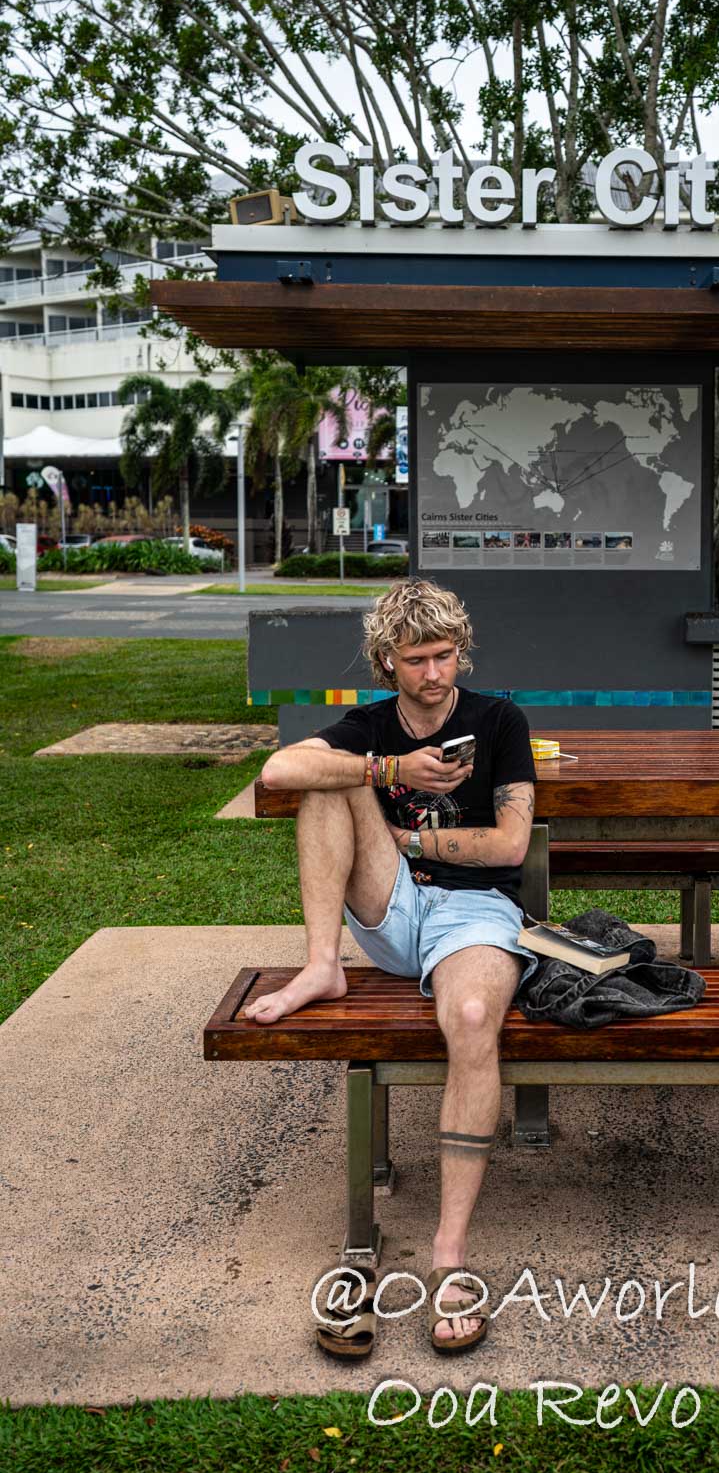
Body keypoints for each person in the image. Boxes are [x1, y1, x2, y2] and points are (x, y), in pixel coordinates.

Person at [243, 579, 538, 1356]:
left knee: (472, 1019)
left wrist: (411, 839)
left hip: (477, 913)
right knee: (323, 780)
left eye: (445, 656)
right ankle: (320, 966)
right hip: (394, 911)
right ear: (386, 661)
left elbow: (509, 847)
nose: (435, 674)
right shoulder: (370, 727)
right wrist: (388, 773)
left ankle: (448, 1255)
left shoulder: (498, 719)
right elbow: (275, 774)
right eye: (417, 660)